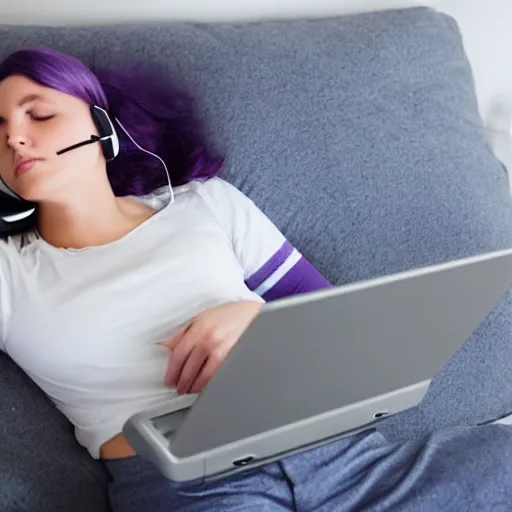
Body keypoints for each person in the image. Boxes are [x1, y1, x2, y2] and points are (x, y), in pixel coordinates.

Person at [1, 47, 512, 512]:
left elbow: (345, 327)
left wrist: (257, 318)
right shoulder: (10, 273)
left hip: (350, 459)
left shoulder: (207, 203)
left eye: (39, 113)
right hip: (197, 489)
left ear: (102, 127)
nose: (14, 136)